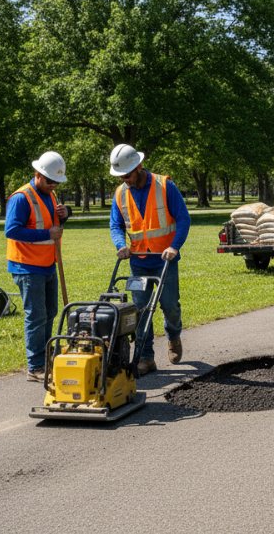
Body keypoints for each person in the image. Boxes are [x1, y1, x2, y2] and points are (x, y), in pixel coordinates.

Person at [109, 144, 191, 375]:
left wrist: (174, 247)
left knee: (169, 306)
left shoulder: (165, 186)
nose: (124, 179)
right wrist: (120, 244)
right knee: (141, 310)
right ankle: (146, 358)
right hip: (138, 261)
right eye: (120, 176)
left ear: (139, 166)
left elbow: (183, 219)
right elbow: (115, 224)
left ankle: (173, 336)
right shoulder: (120, 193)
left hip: (165, 259)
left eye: (127, 174)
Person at [5, 151, 69, 382]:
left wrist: (64, 215)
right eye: (50, 181)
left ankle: (46, 355)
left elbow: (53, 224)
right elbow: (11, 230)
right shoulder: (21, 197)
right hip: (27, 267)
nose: (53, 185)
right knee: (36, 315)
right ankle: (35, 366)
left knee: (50, 311)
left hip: (48, 263)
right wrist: (46, 233)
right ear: (38, 175)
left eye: (56, 182)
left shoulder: (50, 195)